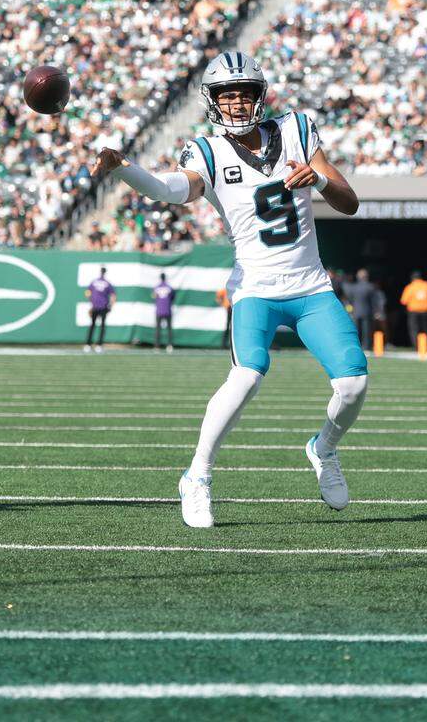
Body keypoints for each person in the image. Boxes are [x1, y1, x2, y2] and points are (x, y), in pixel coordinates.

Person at [92, 50, 367, 528]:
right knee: (247, 375)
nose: (237, 104)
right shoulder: (207, 151)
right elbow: (170, 190)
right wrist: (123, 168)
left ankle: (323, 447)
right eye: (226, 95)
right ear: (213, 101)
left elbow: (349, 203)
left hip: (310, 286)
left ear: (259, 96)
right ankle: (196, 475)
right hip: (256, 288)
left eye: (243, 94)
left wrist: (319, 179)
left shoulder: (298, 130)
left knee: (353, 383)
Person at [400, 270, 427, 349]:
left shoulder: (410, 287)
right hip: (426, 311)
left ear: (412, 278)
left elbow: (404, 301)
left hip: (413, 311)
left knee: (414, 329)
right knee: (426, 329)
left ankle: (416, 347)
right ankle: (426, 347)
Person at [344, 268, 376, 351]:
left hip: (356, 312)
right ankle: (367, 347)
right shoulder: (371, 287)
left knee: (357, 331)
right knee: (367, 331)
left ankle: (357, 346)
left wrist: (350, 310)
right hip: (367, 311)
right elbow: (374, 301)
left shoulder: (353, 287)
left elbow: (349, 300)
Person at [85, 266, 114, 352]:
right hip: (103, 307)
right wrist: (111, 306)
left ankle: (88, 344)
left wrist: (91, 301)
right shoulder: (107, 283)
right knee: (101, 326)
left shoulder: (94, 282)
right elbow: (113, 295)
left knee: (92, 326)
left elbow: (87, 292)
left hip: (95, 306)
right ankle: (99, 345)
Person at [152, 272, 175, 352]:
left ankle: (157, 346)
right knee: (169, 329)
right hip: (167, 310)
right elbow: (173, 297)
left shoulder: (156, 288)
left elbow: (153, 296)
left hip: (159, 310)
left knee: (158, 329)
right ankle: (169, 345)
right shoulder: (169, 287)